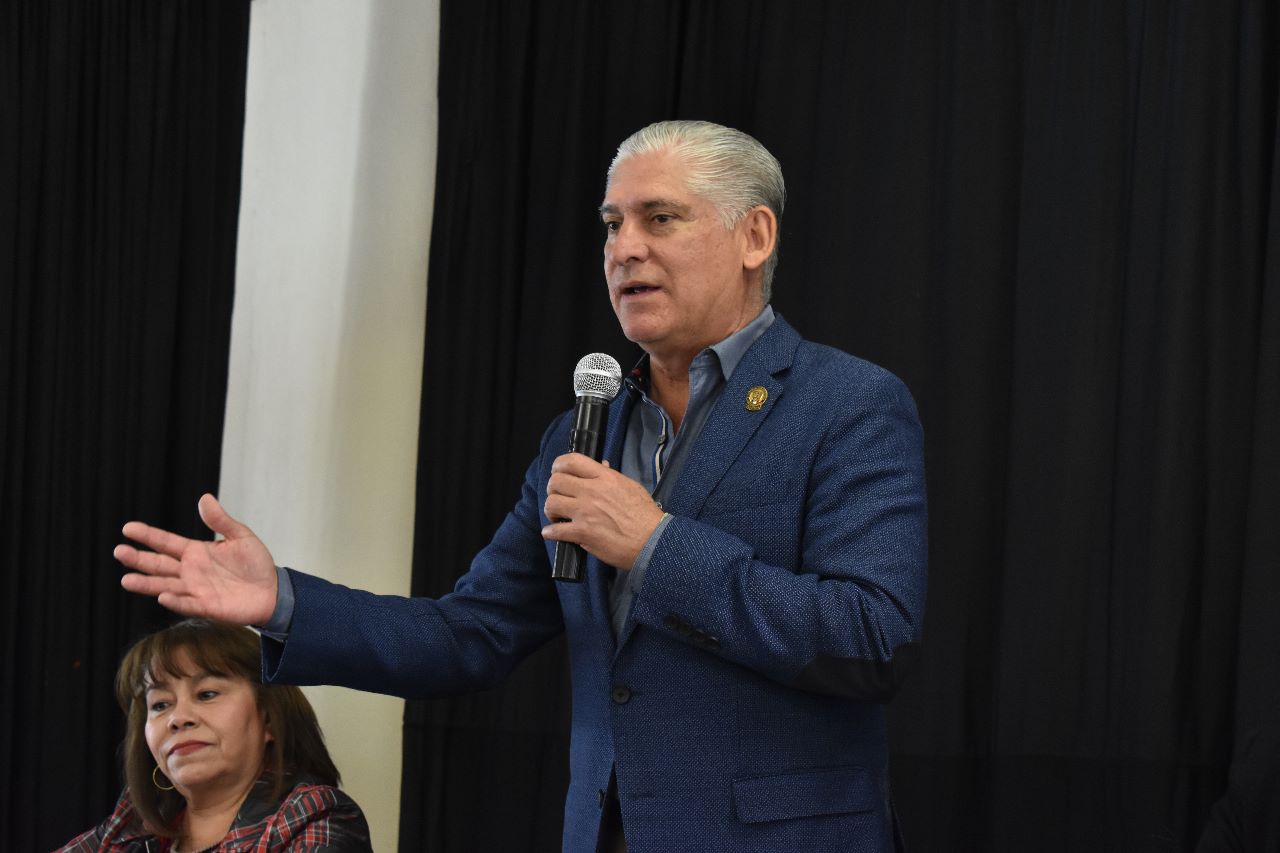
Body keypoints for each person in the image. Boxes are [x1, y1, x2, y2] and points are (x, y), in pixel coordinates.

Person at [114, 120, 928, 852]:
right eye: (611, 224)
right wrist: (283, 602)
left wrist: (656, 545)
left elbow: (873, 635)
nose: (624, 248)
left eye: (659, 218)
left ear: (754, 236)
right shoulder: (583, 432)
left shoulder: (846, 403)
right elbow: (465, 634)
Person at [58, 618, 372, 852]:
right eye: (161, 704)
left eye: (207, 694)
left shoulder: (315, 815)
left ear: (269, 719)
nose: (178, 719)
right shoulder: (131, 827)